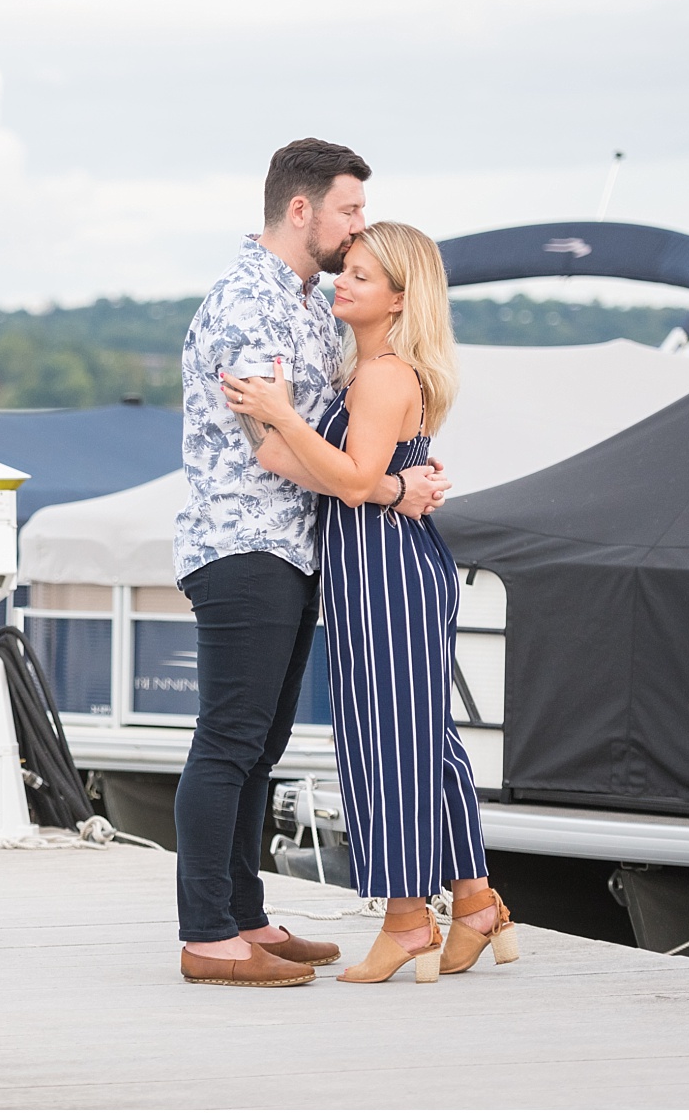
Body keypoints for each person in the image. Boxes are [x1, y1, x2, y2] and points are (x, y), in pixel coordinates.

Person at [172, 140, 451, 988]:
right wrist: (389, 488)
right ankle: (206, 932)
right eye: (350, 211)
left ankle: (247, 913)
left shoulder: (306, 306)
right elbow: (273, 449)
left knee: (263, 744)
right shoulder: (244, 305)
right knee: (227, 738)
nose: (358, 226)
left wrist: (394, 474)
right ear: (303, 210)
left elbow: (349, 422)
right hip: (243, 542)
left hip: (297, 547)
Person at [222, 220, 519, 983]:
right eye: (344, 269)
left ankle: (405, 918)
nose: (341, 282)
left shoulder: (385, 375)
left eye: (359, 274)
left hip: (387, 569)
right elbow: (310, 466)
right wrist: (266, 417)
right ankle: (477, 902)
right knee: (423, 741)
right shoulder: (371, 369)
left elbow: (353, 481)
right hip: (376, 567)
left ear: (398, 297)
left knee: (386, 746)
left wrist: (284, 412)